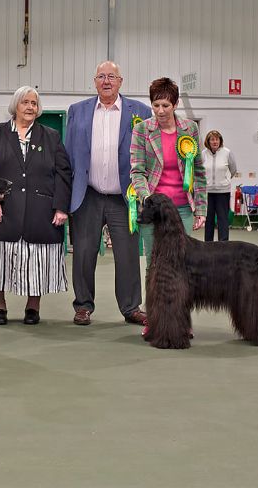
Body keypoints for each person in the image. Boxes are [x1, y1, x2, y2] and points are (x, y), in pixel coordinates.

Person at [65, 61, 152, 326]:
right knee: (83, 253)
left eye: (111, 77)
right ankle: (83, 306)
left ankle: (130, 307)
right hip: (87, 194)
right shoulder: (77, 111)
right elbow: (68, 155)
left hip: (124, 198)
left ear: (120, 81)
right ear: (94, 81)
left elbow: (148, 155)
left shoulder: (140, 111)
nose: (106, 81)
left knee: (127, 255)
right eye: (101, 76)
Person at [0, 86, 72, 325]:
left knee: (37, 260)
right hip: (1, 210)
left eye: (34, 103)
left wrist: (61, 207)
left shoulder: (51, 136)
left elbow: (63, 173)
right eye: (25, 102)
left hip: (40, 211)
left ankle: (33, 307)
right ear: (15, 105)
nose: (30, 107)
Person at [130, 77, 207, 264]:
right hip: (153, 210)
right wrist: (147, 199)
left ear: (176, 104)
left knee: (180, 266)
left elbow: (198, 171)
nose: (160, 111)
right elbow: (137, 171)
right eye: (155, 105)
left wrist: (201, 209)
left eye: (165, 105)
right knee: (154, 264)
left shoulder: (190, 128)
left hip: (183, 209)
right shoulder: (141, 130)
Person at [201, 129, 236, 242]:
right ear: (208, 141)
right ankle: (208, 244)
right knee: (209, 220)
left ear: (220, 141)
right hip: (208, 193)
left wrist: (225, 180)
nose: (215, 141)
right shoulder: (203, 154)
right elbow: (199, 171)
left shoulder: (227, 152)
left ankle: (224, 244)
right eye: (212, 139)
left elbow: (233, 169)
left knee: (223, 220)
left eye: (217, 139)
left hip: (223, 192)